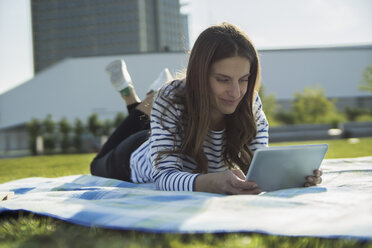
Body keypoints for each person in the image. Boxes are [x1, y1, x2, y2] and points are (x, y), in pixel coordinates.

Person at [91, 23, 322, 195]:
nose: (236, 92)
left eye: (243, 79)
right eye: (223, 79)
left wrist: (292, 177)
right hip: (134, 155)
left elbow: (259, 166)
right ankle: (133, 95)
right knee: (95, 165)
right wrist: (212, 182)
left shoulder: (249, 101)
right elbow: (164, 177)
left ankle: (146, 99)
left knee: (157, 106)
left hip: (165, 127)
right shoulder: (173, 99)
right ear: (200, 76)